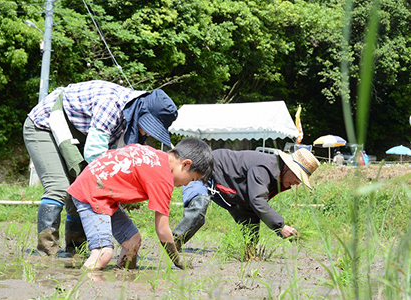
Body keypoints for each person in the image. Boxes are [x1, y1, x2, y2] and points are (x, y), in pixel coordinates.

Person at [23, 80, 178, 256]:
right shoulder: (112, 104)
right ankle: (46, 253)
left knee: (79, 192)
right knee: (59, 187)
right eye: (149, 127)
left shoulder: (131, 122)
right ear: (141, 112)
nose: (148, 133)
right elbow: (95, 155)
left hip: (79, 136)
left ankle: (74, 252)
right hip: (45, 125)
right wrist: (111, 192)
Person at [67, 137, 214, 270]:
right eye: (192, 179)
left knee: (132, 241)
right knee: (103, 253)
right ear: (186, 165)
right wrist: (178, 260)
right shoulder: (163, 177)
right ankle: (81, 286)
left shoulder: (157, 157)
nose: (186, 184)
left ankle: (123, 278)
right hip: (92, 193)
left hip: (101, 191)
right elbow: (162, 230)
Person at [172, 148, 320, 259]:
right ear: (288, 167)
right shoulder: (265, 168)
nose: (297, 183)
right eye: (298, 177)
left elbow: (253, 206)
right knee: (199, 207)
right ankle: (172, 243)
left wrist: (279, 231)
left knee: (249, 218)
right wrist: (280, 226)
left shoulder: (279, 177)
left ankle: (250, 252)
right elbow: (257, 201)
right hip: (206, 171)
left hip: (230, 188)